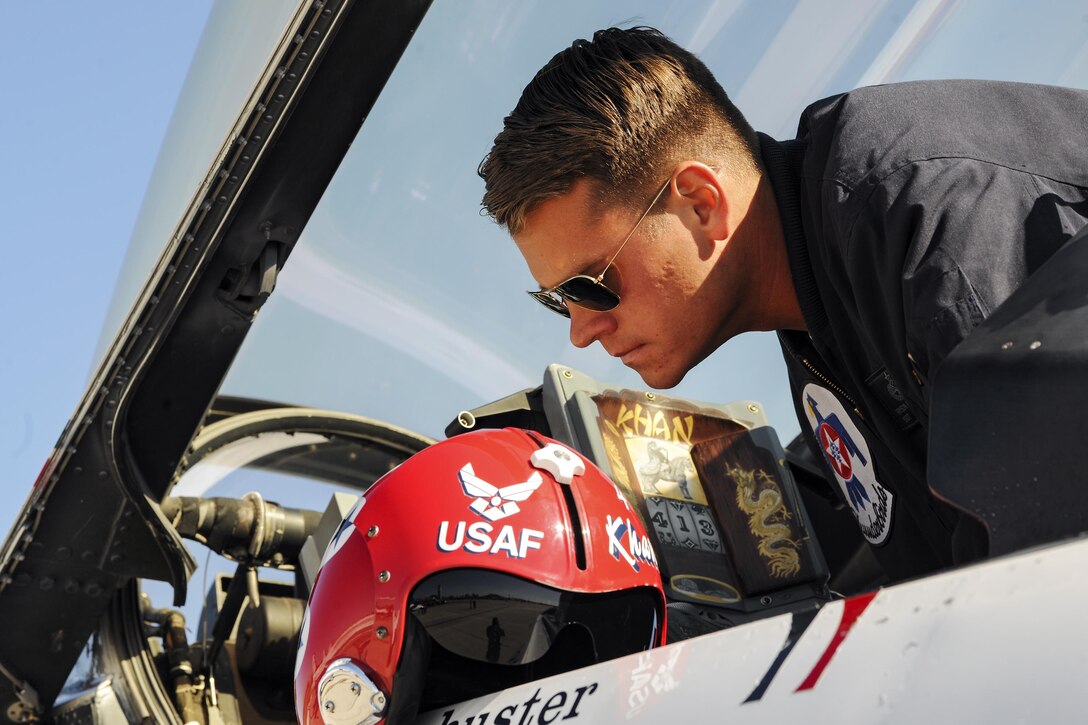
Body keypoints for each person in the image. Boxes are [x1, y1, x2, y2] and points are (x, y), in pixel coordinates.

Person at [477, 26, 1088, 583]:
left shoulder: (928, 218)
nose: (582, 331)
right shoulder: (818, 321)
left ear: (700, 203)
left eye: (591, 283)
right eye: (559, 299)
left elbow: (1043, 575)